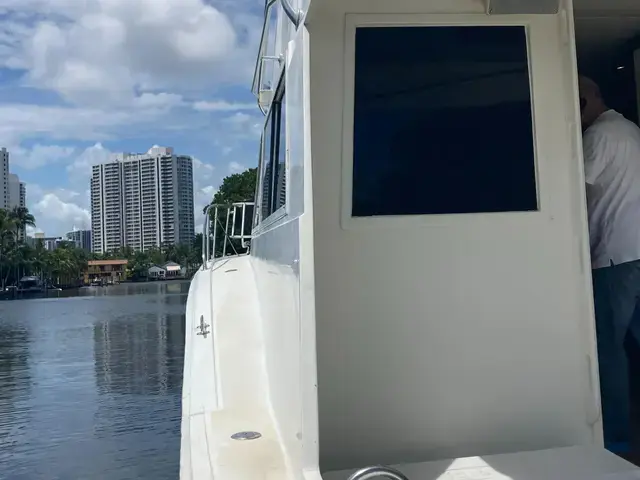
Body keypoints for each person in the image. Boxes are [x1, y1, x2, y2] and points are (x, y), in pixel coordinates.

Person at [580, 75, 640, 452]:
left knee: (608, 347)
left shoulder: (599, 135)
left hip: (614, 255)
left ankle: (615, 440)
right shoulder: (630, 129)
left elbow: (572, 187)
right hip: (635, 249)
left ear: (584, 101)